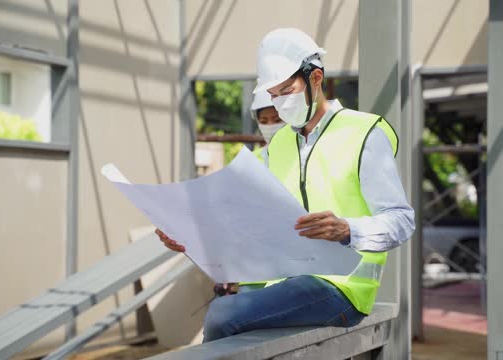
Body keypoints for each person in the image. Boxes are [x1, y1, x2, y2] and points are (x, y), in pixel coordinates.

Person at [156, 28, 415, 342]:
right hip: (284, 282)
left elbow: (402, 220)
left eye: (286, 90)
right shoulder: (278, 146)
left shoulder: (363, 133)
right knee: (231, 305)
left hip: (343, 289)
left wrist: (348, 229)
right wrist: (188, 237)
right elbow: (243, 221)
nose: (279, 104)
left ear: (315, 78)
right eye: (274, 95)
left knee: (224, 316)